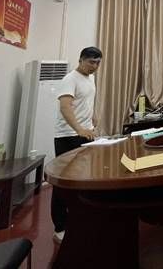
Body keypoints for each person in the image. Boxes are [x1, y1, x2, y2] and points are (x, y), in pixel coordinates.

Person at [51, 46, 102, 243]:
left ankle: (79, 219)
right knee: (63, 181)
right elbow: (65, 107)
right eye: (91, 62)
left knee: (83, 178)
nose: (94, 66)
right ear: (80, 60)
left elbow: (86, 102)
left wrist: (92, 117)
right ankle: (60, 227)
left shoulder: (91, 79)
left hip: (85, 134)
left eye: (97, 63)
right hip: (68, 136)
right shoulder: (70, 79)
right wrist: (79, 128)